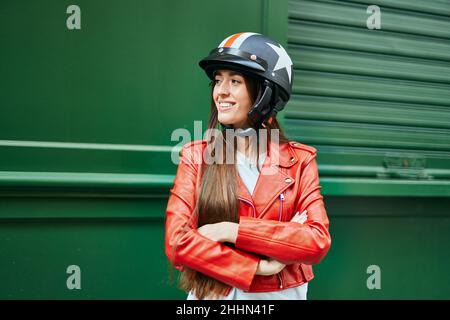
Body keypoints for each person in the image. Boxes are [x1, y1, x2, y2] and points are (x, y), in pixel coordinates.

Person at [165, 32, 331, 300]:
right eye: (218, 81)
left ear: (265, 93)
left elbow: (316, 242)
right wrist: (260, 265)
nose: (221, 91)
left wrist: (229, 231)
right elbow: (177, 243)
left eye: (235, 81)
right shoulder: (196, 157)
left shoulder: (300, 161)